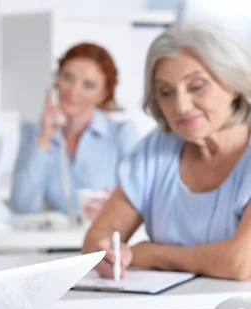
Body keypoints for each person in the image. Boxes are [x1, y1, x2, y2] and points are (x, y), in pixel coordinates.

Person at [83, 23, 251, 281]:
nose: (181, 106)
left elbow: (241, 263)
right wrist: (106, 255)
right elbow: (97, 240)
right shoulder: (156, 148)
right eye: (166, 92)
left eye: (196, 86)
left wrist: (149, 254)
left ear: (234, 83)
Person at [11, 43, 139, 223]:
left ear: (103, 94)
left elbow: (140, 203)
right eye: (68, 77)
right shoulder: (33, 133)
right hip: (56, 247)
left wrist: (114, 209)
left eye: (88, 85)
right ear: (56, 80)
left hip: (103, 242)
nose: (73, 91)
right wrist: (44, 139)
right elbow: (22, 207)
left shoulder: (121, 134)